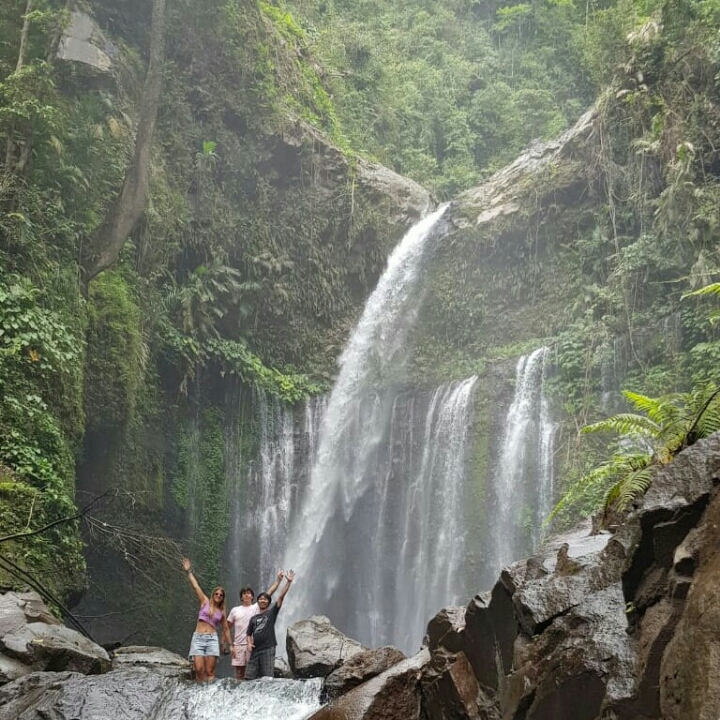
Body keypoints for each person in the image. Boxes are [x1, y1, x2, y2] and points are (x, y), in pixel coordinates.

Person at [182, 557, 232, 682]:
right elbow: (195, 586)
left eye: (221, 595)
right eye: (216, 594)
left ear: (223, 598)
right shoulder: (204, 602)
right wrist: (188, 572)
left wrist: (230, 645)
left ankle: (209, 696)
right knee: (198, 669)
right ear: (213, 594)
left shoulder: (221, 612)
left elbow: (225, 629)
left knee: (209, 671)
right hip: (198, 638)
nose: (218, 596)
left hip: (211, 639)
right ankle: (199, 694)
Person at [227, 569, 283, 680]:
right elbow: (226, 628)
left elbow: (269, 593)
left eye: (249, 593)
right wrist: (228, 644)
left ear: (253, 597)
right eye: (244, 594)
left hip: (253, 646)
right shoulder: (235, 610)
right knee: (238, 673)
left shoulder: (256, 607)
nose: (246, 595)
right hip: (238, 645)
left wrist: (278, 580)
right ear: (241, 597)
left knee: (251, 672)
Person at [245, 570, 295, 680]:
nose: (263, 600)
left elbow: (281, 596)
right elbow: (248, 633)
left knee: (267, 677)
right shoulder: (253, 618)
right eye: (261, 599)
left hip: (268, 648)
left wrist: (288, 582)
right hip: (254, 650)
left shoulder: (272, 613)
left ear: (268, 602)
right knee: (248, 677)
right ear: (257, 601)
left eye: (265, 599)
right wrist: (249, 643)